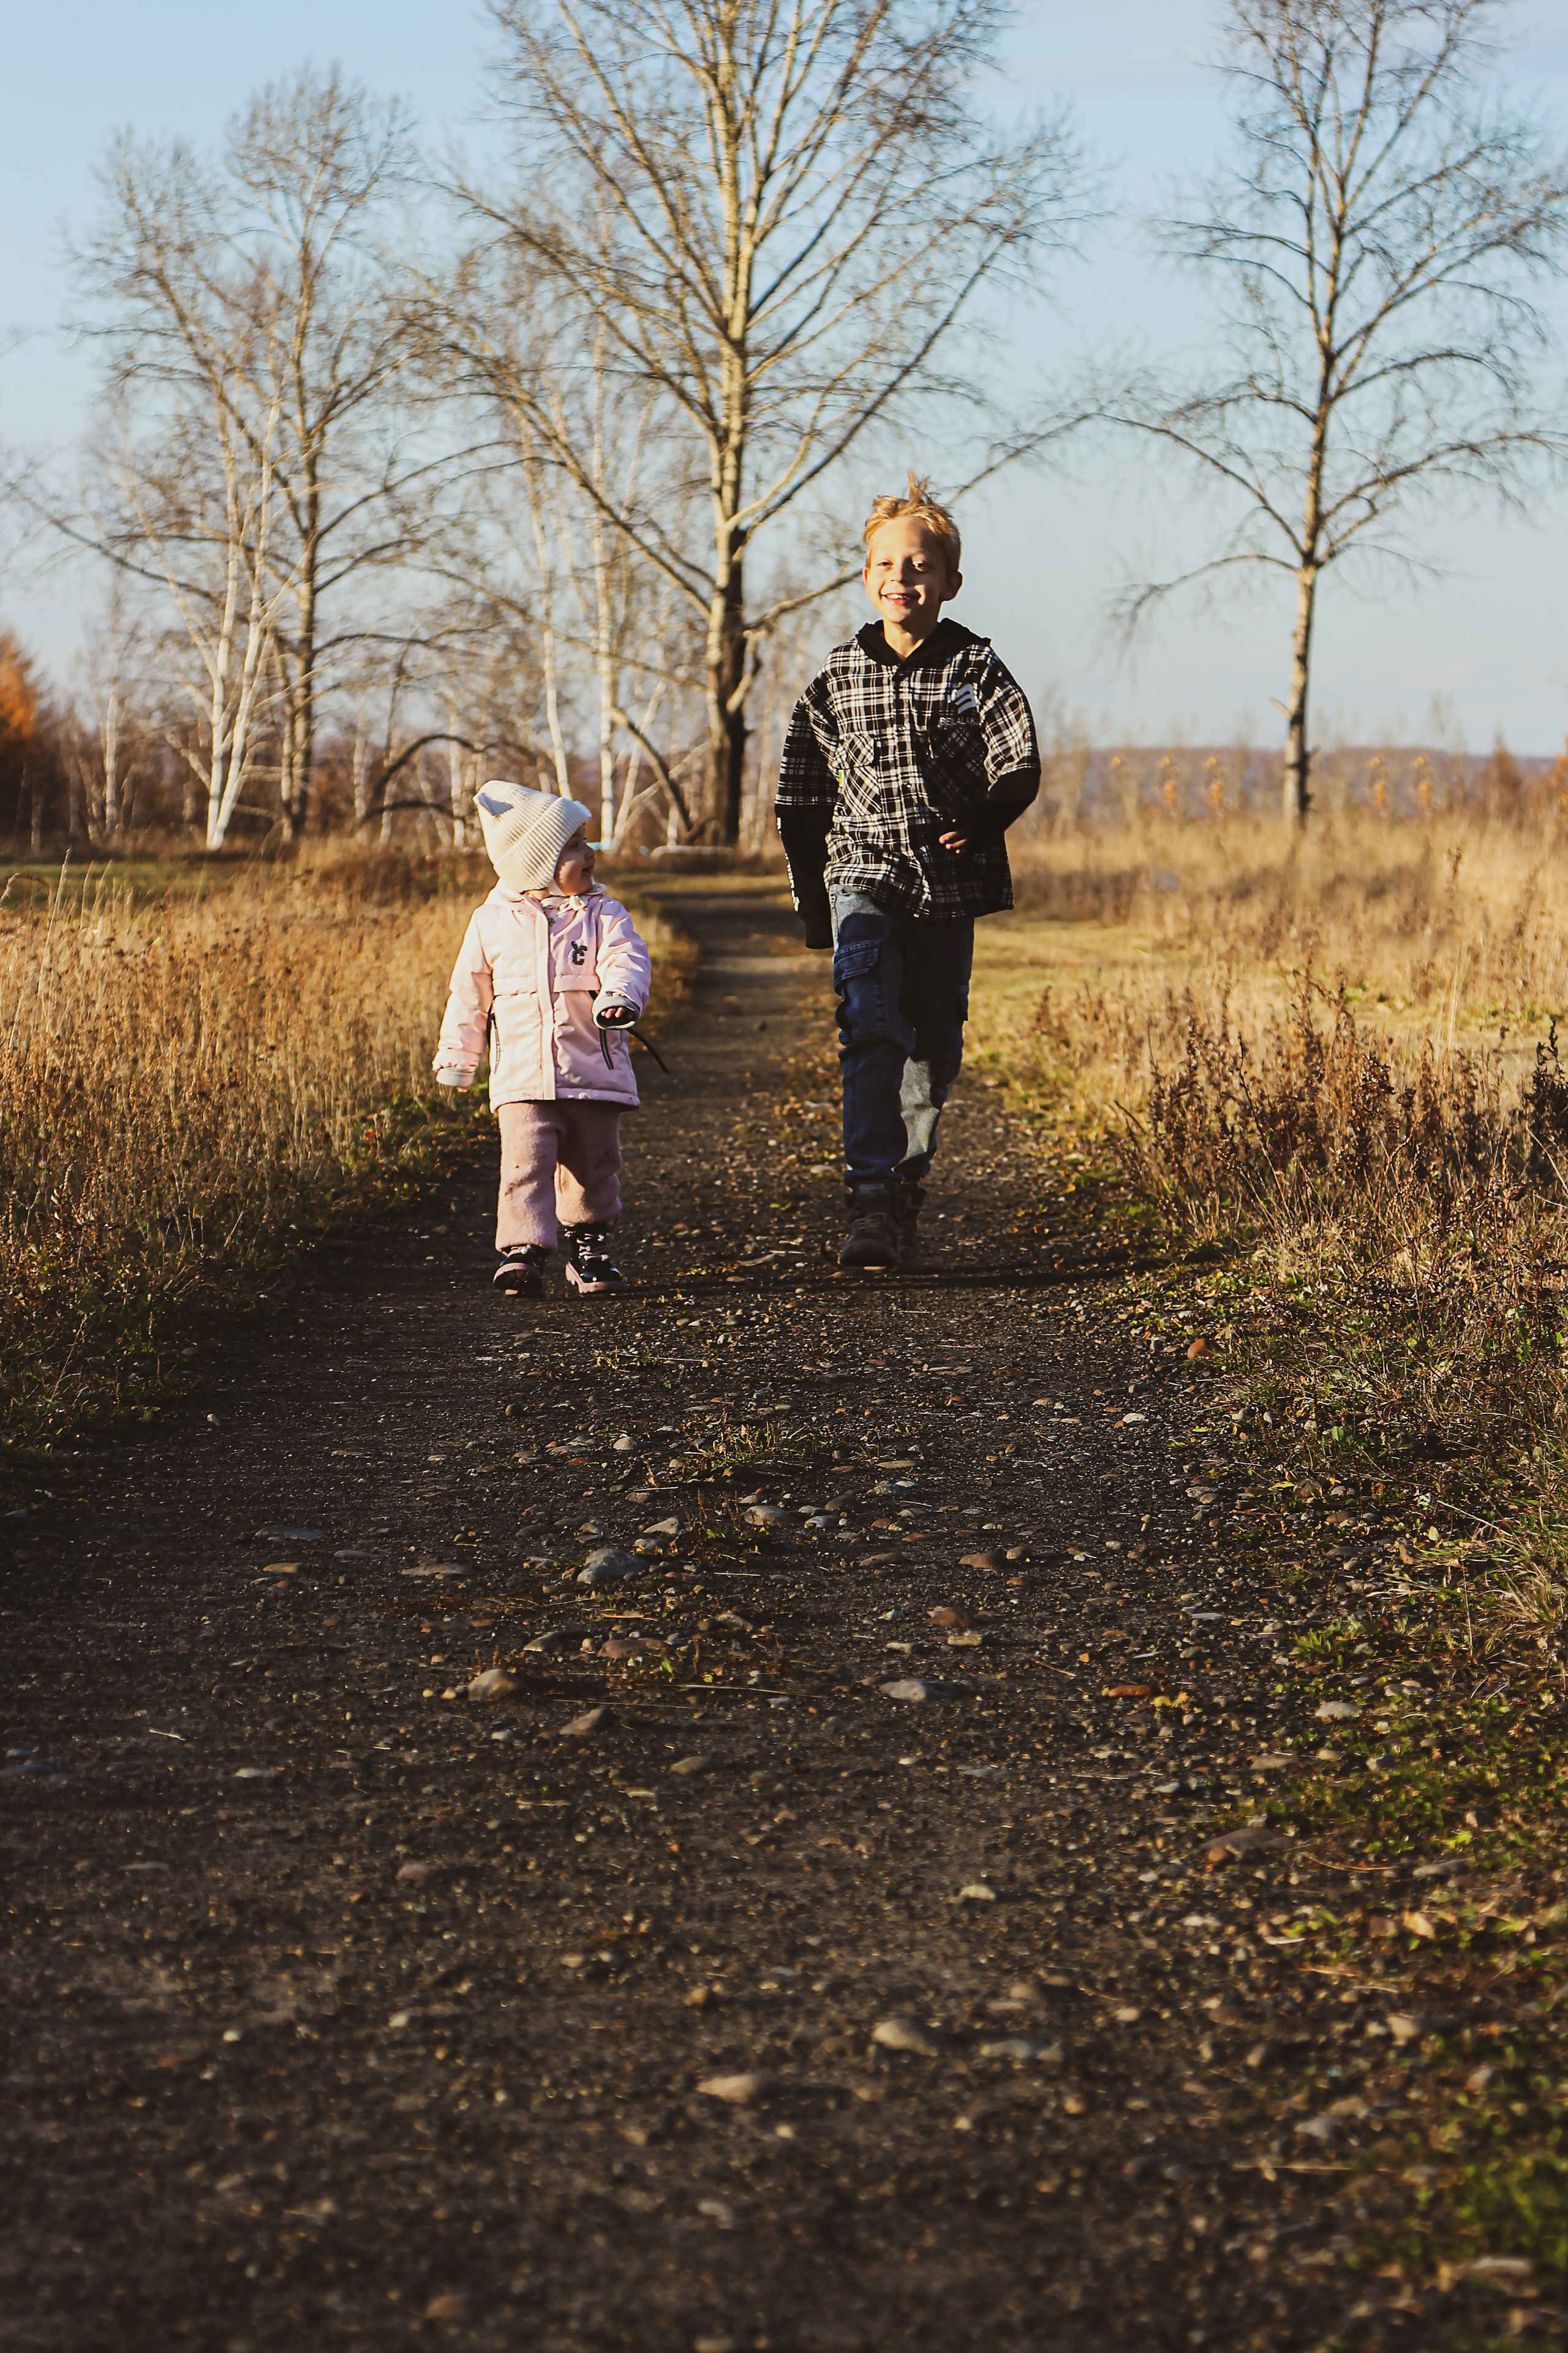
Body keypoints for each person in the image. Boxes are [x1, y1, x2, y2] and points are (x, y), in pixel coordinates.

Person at [774, 474, 1041, 1270]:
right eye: (888, 564)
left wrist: (987, 817)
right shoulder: (835, 678)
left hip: (946, 884)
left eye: (921, 566)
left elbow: (1018, 763)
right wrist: (814, 906)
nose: (903, 578)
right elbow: (800, 795)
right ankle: (871, 1198)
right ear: (866, 577)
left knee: (934, 1040)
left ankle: (908, 1176)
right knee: (869, 1026)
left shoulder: (977, 669)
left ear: (949, 581)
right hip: (861, 877)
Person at [433, 780, 652, 1297]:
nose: (589, 853)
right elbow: (468, 993)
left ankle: (589, 1245)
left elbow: (629, 960)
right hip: (522, 1077)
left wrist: (618, 996)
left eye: (586, 841)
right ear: (538, 863)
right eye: (574, 845)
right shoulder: (491, 923)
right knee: (524, 1164)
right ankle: (523, 1250)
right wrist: (459, 1058)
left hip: (592, 1069)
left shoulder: (603, 914)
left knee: (595, 1165)